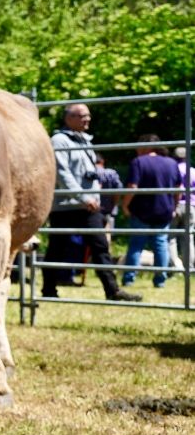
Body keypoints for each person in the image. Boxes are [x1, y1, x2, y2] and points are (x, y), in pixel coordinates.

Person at [44, 103, 139, 302]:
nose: (87, 119)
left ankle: (113, 291)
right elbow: (62, 173)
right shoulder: (59, 141)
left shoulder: (84, 140)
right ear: (68, 118)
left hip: (88, 206)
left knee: (100, 246)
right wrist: (83, 196)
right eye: (82, 116)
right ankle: (48, 290)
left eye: (88, 116)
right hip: (66, 206)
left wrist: (93, 195)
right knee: (57, 248)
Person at [120, 134, 181, 288]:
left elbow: (133, 187)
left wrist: (125, 205)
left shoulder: (138, 162)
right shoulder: (172, 163)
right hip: (164, 211)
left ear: (146, 146)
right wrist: (174, 206)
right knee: (161, 245)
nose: (136, 149)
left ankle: (129, 279)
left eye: (138, 145)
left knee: (136, 245)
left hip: (142, 211)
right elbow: (178, 189)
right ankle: (160, 280)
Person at [94, 152, 123, 260]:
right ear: (102, 161)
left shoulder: (89, 172)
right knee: (106, 237)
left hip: (91, 211)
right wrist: (114, 204)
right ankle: (106, 260)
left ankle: (88, 262)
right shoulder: (111, 173)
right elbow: (118, 190)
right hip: (108, 211)